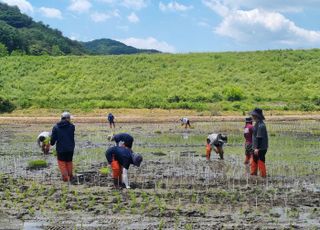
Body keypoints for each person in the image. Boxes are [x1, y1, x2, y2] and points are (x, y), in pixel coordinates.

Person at [50, 112, 75, 182]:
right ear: (67, 118)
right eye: (69, 118)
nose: (70, 120)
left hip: (61, 149)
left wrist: (51, 143)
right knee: (69, 162)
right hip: (70, 149)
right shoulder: (72, 126)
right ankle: (70, 176)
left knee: (62, 163)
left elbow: (52, 141)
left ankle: (65, 178)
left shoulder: (55, 127)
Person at [250, 108, 268, 178]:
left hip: (261, 148)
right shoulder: (257, 124)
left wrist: (257, 148)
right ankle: (253, 175)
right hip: (255, 147)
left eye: (253, 115)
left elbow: (259, 138)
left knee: (261, 161)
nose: (252, 116)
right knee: (254, 161)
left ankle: (263, 176)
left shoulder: (261, 125)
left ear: (256, 116)